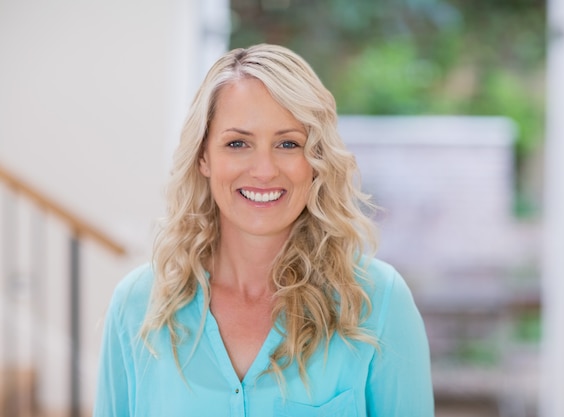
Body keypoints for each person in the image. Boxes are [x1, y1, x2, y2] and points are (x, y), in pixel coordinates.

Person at [93, 43, 434, 416]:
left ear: (316, 160)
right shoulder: (136, 306)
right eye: (237, 143)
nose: (264, 170)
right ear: (204, 156)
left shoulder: (379, 303)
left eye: (288, 143)